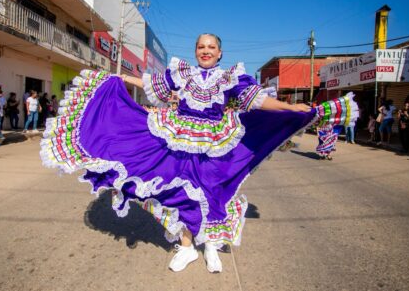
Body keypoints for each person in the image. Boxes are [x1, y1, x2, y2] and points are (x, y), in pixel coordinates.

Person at [40, 33, 358, 274]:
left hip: (215, 140)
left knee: (214, 192)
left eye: (211, 47)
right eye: (201, 47)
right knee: (179, 193)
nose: (205, 51)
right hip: (178, 137)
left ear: (220, 53)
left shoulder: (230, 77)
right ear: (196, 52)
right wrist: (122, 78)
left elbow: (257, 100)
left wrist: (290, 107)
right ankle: (187, 246)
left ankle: (211, 246)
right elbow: (153, 86)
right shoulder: (182, 74)